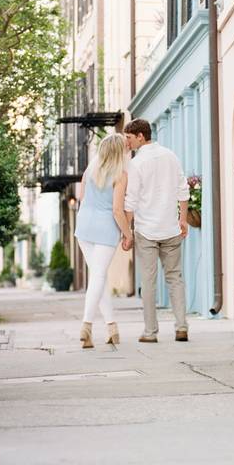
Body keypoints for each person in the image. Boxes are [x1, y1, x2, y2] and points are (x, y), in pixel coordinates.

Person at [122, 119, 190, 343]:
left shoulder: (136, 163)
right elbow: (183, 189)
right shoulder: (171, 155)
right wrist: (183, 219)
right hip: (170, 227)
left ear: (141, 136)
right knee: (175, 278)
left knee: (148, 282)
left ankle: (150, 333)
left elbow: (130, 201)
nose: (127, 142)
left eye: (129, 138)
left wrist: (127, 232)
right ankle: (181, 328)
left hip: (147, 230)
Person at [74, 133, 134, 349]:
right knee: (98, 276)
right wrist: (128, 234)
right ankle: (86, 325)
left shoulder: (90, 171)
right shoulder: (121, 175)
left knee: (98, 279)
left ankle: (112, 328)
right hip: (105, 229)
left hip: (84, 227)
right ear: (119, 151)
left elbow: (82, 198)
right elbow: (118, 211)